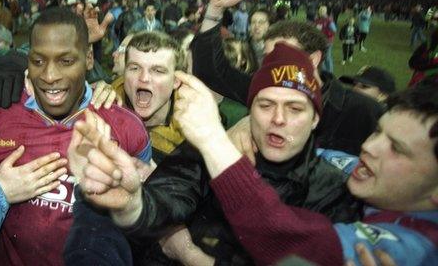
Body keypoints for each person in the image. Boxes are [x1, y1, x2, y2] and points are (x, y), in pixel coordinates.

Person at [67, 43, 361, 265]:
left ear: (315, 119)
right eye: (266, 105)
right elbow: (168, 196)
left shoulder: (334, 190)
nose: (278, 119)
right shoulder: (208, 150)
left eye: (295, 108)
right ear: (249, 112)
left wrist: (194, 257)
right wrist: (131, 204)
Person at [162, 74, 438, 265]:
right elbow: (320, 155)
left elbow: (285, 239)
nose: (368, 146)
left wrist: (212, 139)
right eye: (378, 132)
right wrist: (255, 128)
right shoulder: (372, 173)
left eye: (397, 149)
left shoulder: (410, 250)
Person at [0, 7, 151, 265]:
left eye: (65, 61)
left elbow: (145, 205)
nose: (50, 76)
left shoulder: (125, 126)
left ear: (88, 58)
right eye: (38, 61)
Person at [191, 0, 382, 155]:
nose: (272, 64)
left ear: (313, 59)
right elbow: (211, 71)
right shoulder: (262, 89)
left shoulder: (363, 111)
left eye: (283, 56)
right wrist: (214, 10)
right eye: (268, 57)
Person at [111, 31, 186, 163]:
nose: (144, 78)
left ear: (176, 81)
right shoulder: (105, 110)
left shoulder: (193, 135)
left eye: (158, 70)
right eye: (135, 68)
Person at [313, 5, 337, 74]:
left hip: (327, 41)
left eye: (322, 11)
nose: (321, 12)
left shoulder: (329, 20)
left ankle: (330, 72)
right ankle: (324, 72)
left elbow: (334, 30)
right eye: (320, 11)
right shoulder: (318, 20)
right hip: (319, 41)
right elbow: (315, 29)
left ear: (325, 12)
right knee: (321, 57)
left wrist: (327, 34)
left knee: (327, 57)